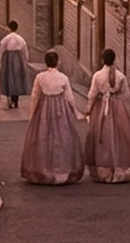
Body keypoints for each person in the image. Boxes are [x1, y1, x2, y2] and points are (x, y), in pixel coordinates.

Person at [20, 50, 84, 185]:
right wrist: (76, 112)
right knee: (63, 139)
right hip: (61, 112)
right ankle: (62, 170)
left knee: (43, 138)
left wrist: (32, 115)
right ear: (57, 62)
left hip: (44, 110)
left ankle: (44, 169)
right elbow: (69, 98)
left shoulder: (40, 77)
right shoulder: (63, 78)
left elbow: (35, 97)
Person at [84, 48, 130, 183]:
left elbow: (92, 95)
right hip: (117, 108)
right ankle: (119, 168)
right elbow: (126, 95)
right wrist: (125, 112)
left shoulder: (97, 76)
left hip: (101, 108)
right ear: (114, 59)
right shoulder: (120, 76)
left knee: (102, 137)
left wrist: (88, 109)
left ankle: (104, 169)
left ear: (103, 60)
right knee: (118, 137)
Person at [0, 21, 30, 109]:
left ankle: (10, 99)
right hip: (19, 59)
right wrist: (26, 60)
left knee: (9, 78)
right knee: (17, 78)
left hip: (8, 59)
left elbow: (1, 50)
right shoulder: (20, 39)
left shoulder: (6, 39)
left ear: (9, 27)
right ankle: (16, 100)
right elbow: (25, 50)